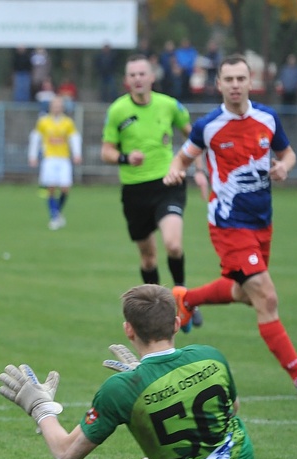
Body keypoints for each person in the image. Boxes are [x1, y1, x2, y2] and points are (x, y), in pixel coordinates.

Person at [0, 284, 297, 459]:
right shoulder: (211, 355)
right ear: (178, 323)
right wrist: (158, 383)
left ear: (128, 329)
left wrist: (40, 406)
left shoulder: (121, 391)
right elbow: (233, 408)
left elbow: (65, 454)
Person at [163, 55, 297, 397]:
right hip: (228, 223)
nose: (235, 85)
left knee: (244, 291)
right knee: (266, 297)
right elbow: (183, 156)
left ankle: (187, 299)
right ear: (219, 84)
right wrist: (174, 169)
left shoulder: (267, 118)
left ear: (251, 81)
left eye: (241, 78)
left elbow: (289, 154)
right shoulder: (207, 126)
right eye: (229, 79)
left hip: (261, 222)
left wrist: (285, 166)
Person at [100, 54, 206, 329]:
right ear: (127, 80)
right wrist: (124, 157)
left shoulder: (169, 106)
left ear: (151, 77)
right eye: (132, 75)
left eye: (141, 73)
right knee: (148, 256)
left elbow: (194, 137)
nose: (137, 79)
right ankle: (157, 310)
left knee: (173, 243)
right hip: (134, 191)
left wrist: (199, 169)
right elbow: (106, 151)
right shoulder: (117, 111)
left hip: (167, 183)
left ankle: (183, 299)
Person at [28, 96, 82, 231]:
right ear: (51, 107)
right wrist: (33, 155)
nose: (57, 108)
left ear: (62, 107)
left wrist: (77, 154)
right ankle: (54, 216)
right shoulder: (43, 121)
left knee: (65, 188)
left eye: (59, 106)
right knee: (51, 187)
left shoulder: (68, 122)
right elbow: (36, 138)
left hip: (63, 158)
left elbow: (74, 138)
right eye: (55, 106)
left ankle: (56, 213)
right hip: (50, 158)